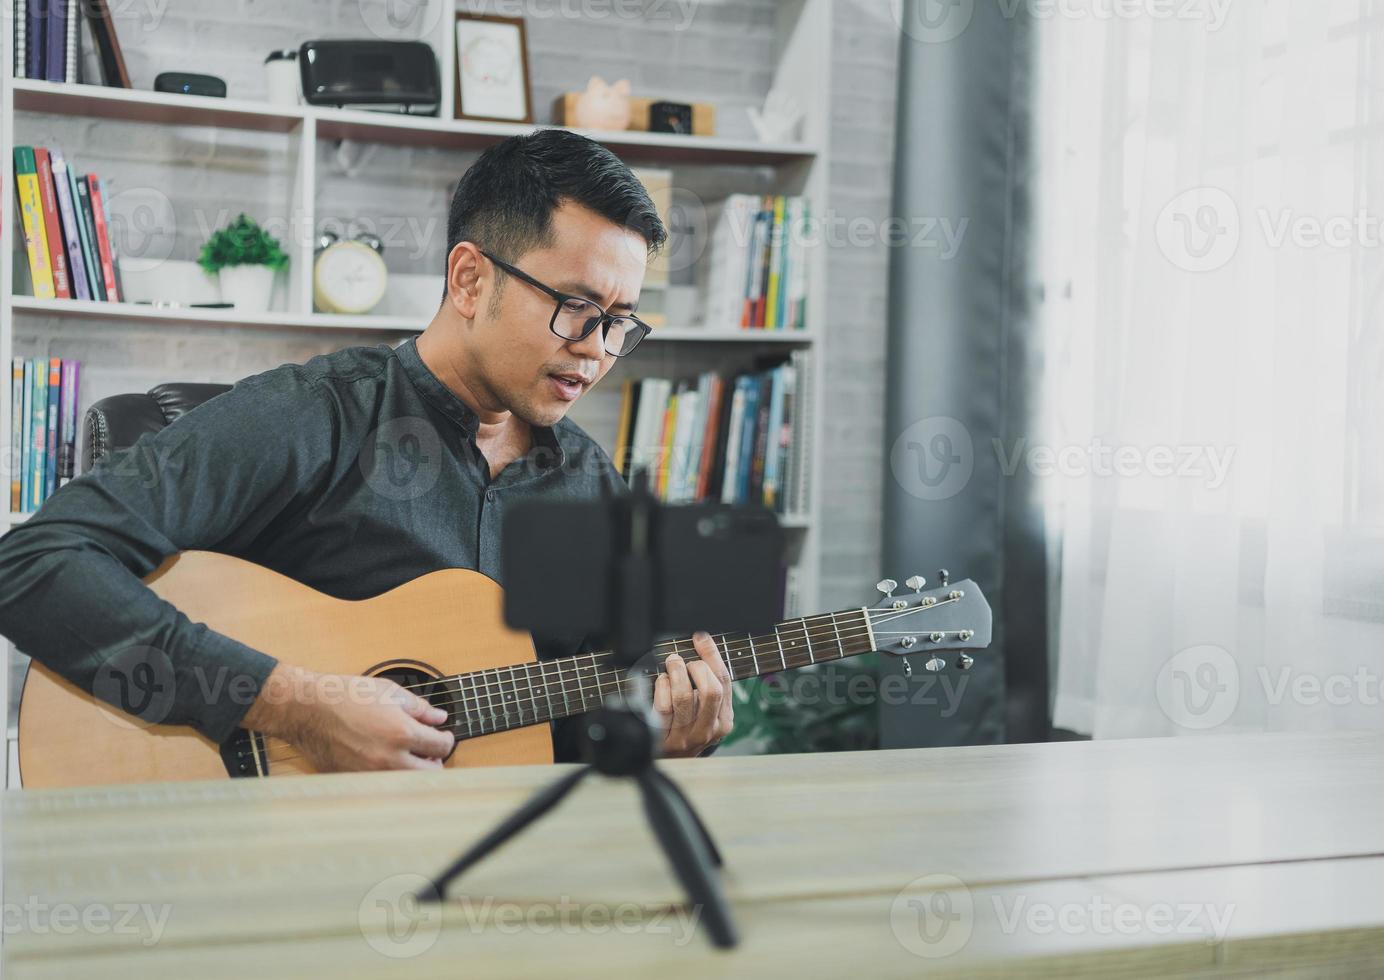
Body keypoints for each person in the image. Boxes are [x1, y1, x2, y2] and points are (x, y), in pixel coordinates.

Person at [0, 130, 733, 773]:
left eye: (620, 323)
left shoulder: (589, 486)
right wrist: (294, 705)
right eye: (577, 310)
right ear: (470, 280)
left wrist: (663, 736)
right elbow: (33, 565)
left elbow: (565, 732)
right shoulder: (310, 414)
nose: (598, 352)